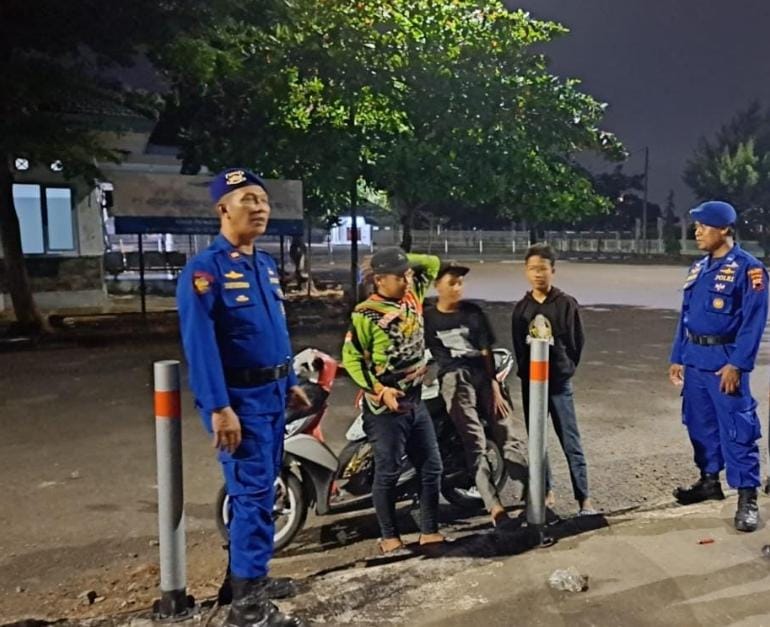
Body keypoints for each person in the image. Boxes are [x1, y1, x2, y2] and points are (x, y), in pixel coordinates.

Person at [177, 167, 309, 627]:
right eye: (248, 200)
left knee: (263, 489)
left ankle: (247, 580)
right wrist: (219, 408)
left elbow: (274, 331)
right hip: (240, 401)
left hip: (272, 394)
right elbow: (200, 347)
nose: (260, 208)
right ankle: (248, 609)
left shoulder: (265, 265)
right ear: (223, 209)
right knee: (251, 495)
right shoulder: (204, 271)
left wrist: (289, 380)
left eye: (264, 201)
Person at [342, 247, 449, 554]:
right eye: (399, 276)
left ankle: (429, 531)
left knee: (431, 467)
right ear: (379, 280)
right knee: (387, 472)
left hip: (415, 401)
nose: (407, 280)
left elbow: (433, 262)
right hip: (384, 409)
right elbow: (351, 359)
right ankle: (389, 537)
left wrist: (400, 259)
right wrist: (379, 391)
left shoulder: (412, 295)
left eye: (407, 275)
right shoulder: (365, 314)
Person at [669, 200, 768, 532]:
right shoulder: (698, 268)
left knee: (738, 429)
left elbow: (753, 322)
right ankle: (709, 481)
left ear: (724, 229)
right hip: (695, 359)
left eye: (703, 226)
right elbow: (685, 316)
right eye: (696, 226)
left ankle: (747, 497)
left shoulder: (749, 269)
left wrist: (737, 364)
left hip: (725, 361)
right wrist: (677, 356)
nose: (696, 232)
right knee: (700, 425)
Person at [424, 261, 528, 527]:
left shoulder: (473, 313)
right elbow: (419, 352)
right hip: (454, 381)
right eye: (451, 283)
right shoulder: (428, 318)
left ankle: (534, 492)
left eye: (460, 283)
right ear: (437, 286)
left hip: (483, 377)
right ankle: (495, 509)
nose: (457, 288)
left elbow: (486, 352)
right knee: (475, 444)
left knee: (508, 437)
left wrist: (494, 386)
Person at [511, 243, 595, 515]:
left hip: (559, 384)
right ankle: (545, 491)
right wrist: (528, 375)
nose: (538, 274)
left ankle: (584, 498)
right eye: (533, 269)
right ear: (526, 271)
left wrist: (565, 368)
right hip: (532, 385)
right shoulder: (521, 309)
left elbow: (576, 341)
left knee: (571, 440)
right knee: (538, 441)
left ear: (553, 271)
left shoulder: (566, 304)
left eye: (543, 269)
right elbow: (519, 348)